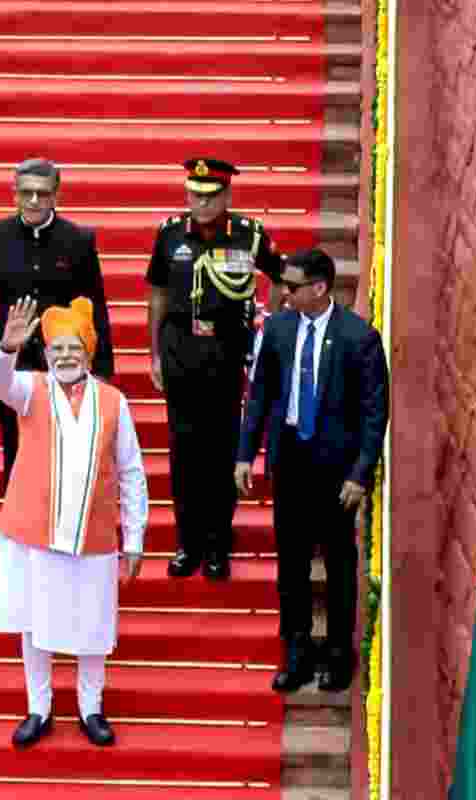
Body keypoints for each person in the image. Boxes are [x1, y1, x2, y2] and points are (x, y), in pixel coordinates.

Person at [0, 295, 147, 748]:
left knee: (92, 624)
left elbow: (132, 470)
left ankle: (90, 708)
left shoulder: (114, 401)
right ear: (47, 353)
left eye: (74, 348)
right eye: (57, 348)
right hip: (32, 532)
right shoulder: (30, 389)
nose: (65, 356)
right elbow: (0, 381)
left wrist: (133, 538)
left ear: (89, 352)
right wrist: (8, 348)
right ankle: (38, 708)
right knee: (34, 622)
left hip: (93, 536)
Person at [235, 248, 389, 693]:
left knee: (340, 564)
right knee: (292, 564)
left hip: (336, 471)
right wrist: (247, 453)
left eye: (293, 285)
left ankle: (339, 655)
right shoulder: (278, 328)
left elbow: (374, 412)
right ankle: (297, 652)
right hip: (290, 464)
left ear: (319, 288)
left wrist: (360, 473)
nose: (284, 292)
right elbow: (260, 394)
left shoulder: (358, 337)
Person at [146, 158, 282, 580]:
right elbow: (158, 295)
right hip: (181, 348)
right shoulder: (170, 233)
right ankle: (188, 544)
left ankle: (219, 545)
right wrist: (154, 353)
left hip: (225, 350)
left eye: (211, 196)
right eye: (194, 195)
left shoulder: (248, 235)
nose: (202, 204)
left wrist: (268, 329)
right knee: (183, 450)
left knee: (222, 450)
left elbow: (279, 277)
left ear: (226, 195)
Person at [0, 158, 115, 490]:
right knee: (14, 444)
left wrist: (102, 364)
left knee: (63, 443)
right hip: (12, 361)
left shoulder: (78, 239)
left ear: (56, 195)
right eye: (26, 193)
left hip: (64, 358)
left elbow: (96, 304)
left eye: (42, 193)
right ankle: (16, 529)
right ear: (14, 194)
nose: (33, 200)